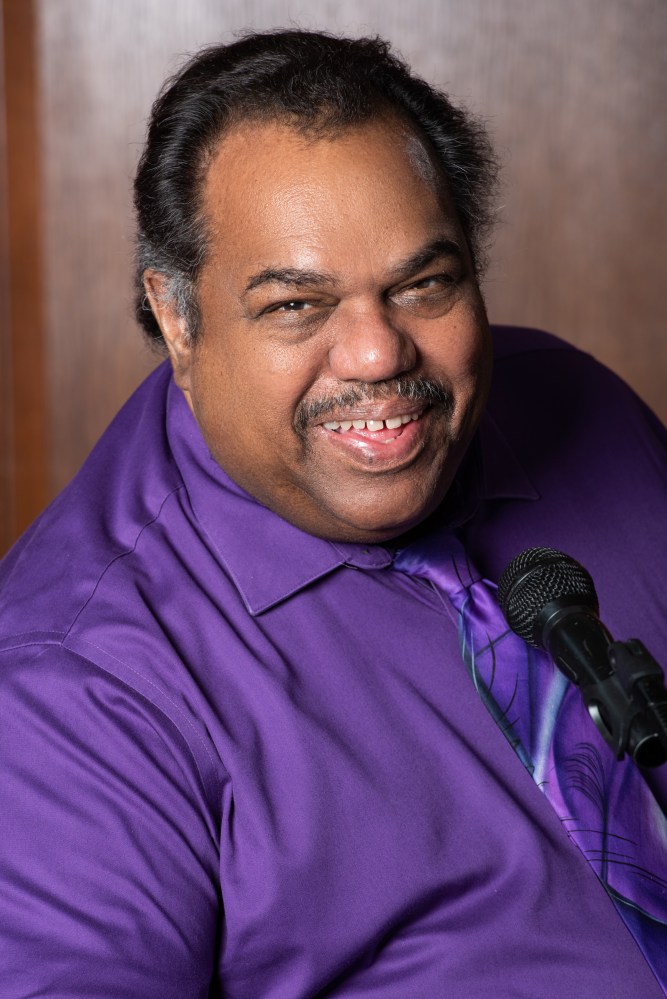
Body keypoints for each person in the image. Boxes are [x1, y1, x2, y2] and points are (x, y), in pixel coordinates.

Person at [1, 29, 666, 998]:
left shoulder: (577, 405)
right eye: (295, 307)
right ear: (177, 318)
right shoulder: (70, 683)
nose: (374, 355)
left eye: (422, 285)